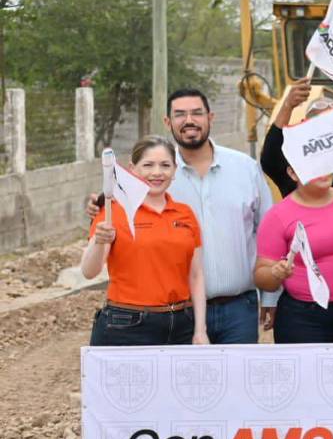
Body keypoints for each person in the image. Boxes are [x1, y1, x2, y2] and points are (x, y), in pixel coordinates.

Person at [86, 88, 278, 343]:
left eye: (197, 113)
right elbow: (108, 216)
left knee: (235, 381)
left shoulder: (245, 168)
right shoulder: (150, 179)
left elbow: (268, 234)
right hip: (180, 315)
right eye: (180, 114)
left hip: (238, 310)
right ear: (168, 121)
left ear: (211, 117)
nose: (189, 120)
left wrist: (271, 296)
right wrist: (97, 207)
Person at [81, 136, 208, 346]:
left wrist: (200, 330)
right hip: (127, 325)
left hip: (181, 325)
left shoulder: (185, 214)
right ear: (132, 169)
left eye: (165, 165)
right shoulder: (113, 212)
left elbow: (196, 275)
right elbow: (89, 271)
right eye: (148, 165)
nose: (157, 172)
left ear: (175, 170)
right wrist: (98, 242)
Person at [254, 164, 333, 344]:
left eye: (325, 163)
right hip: (304, 319)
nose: (322, 170)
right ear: (292, 173)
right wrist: (275, 272)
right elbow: (261, 277)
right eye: (313, 166)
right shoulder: (277, 215)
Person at [259, 79, 333, 197]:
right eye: (319, 124)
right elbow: (269, 159)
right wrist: (288, 105)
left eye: (332, 124)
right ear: (306, 127)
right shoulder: (296, 171)